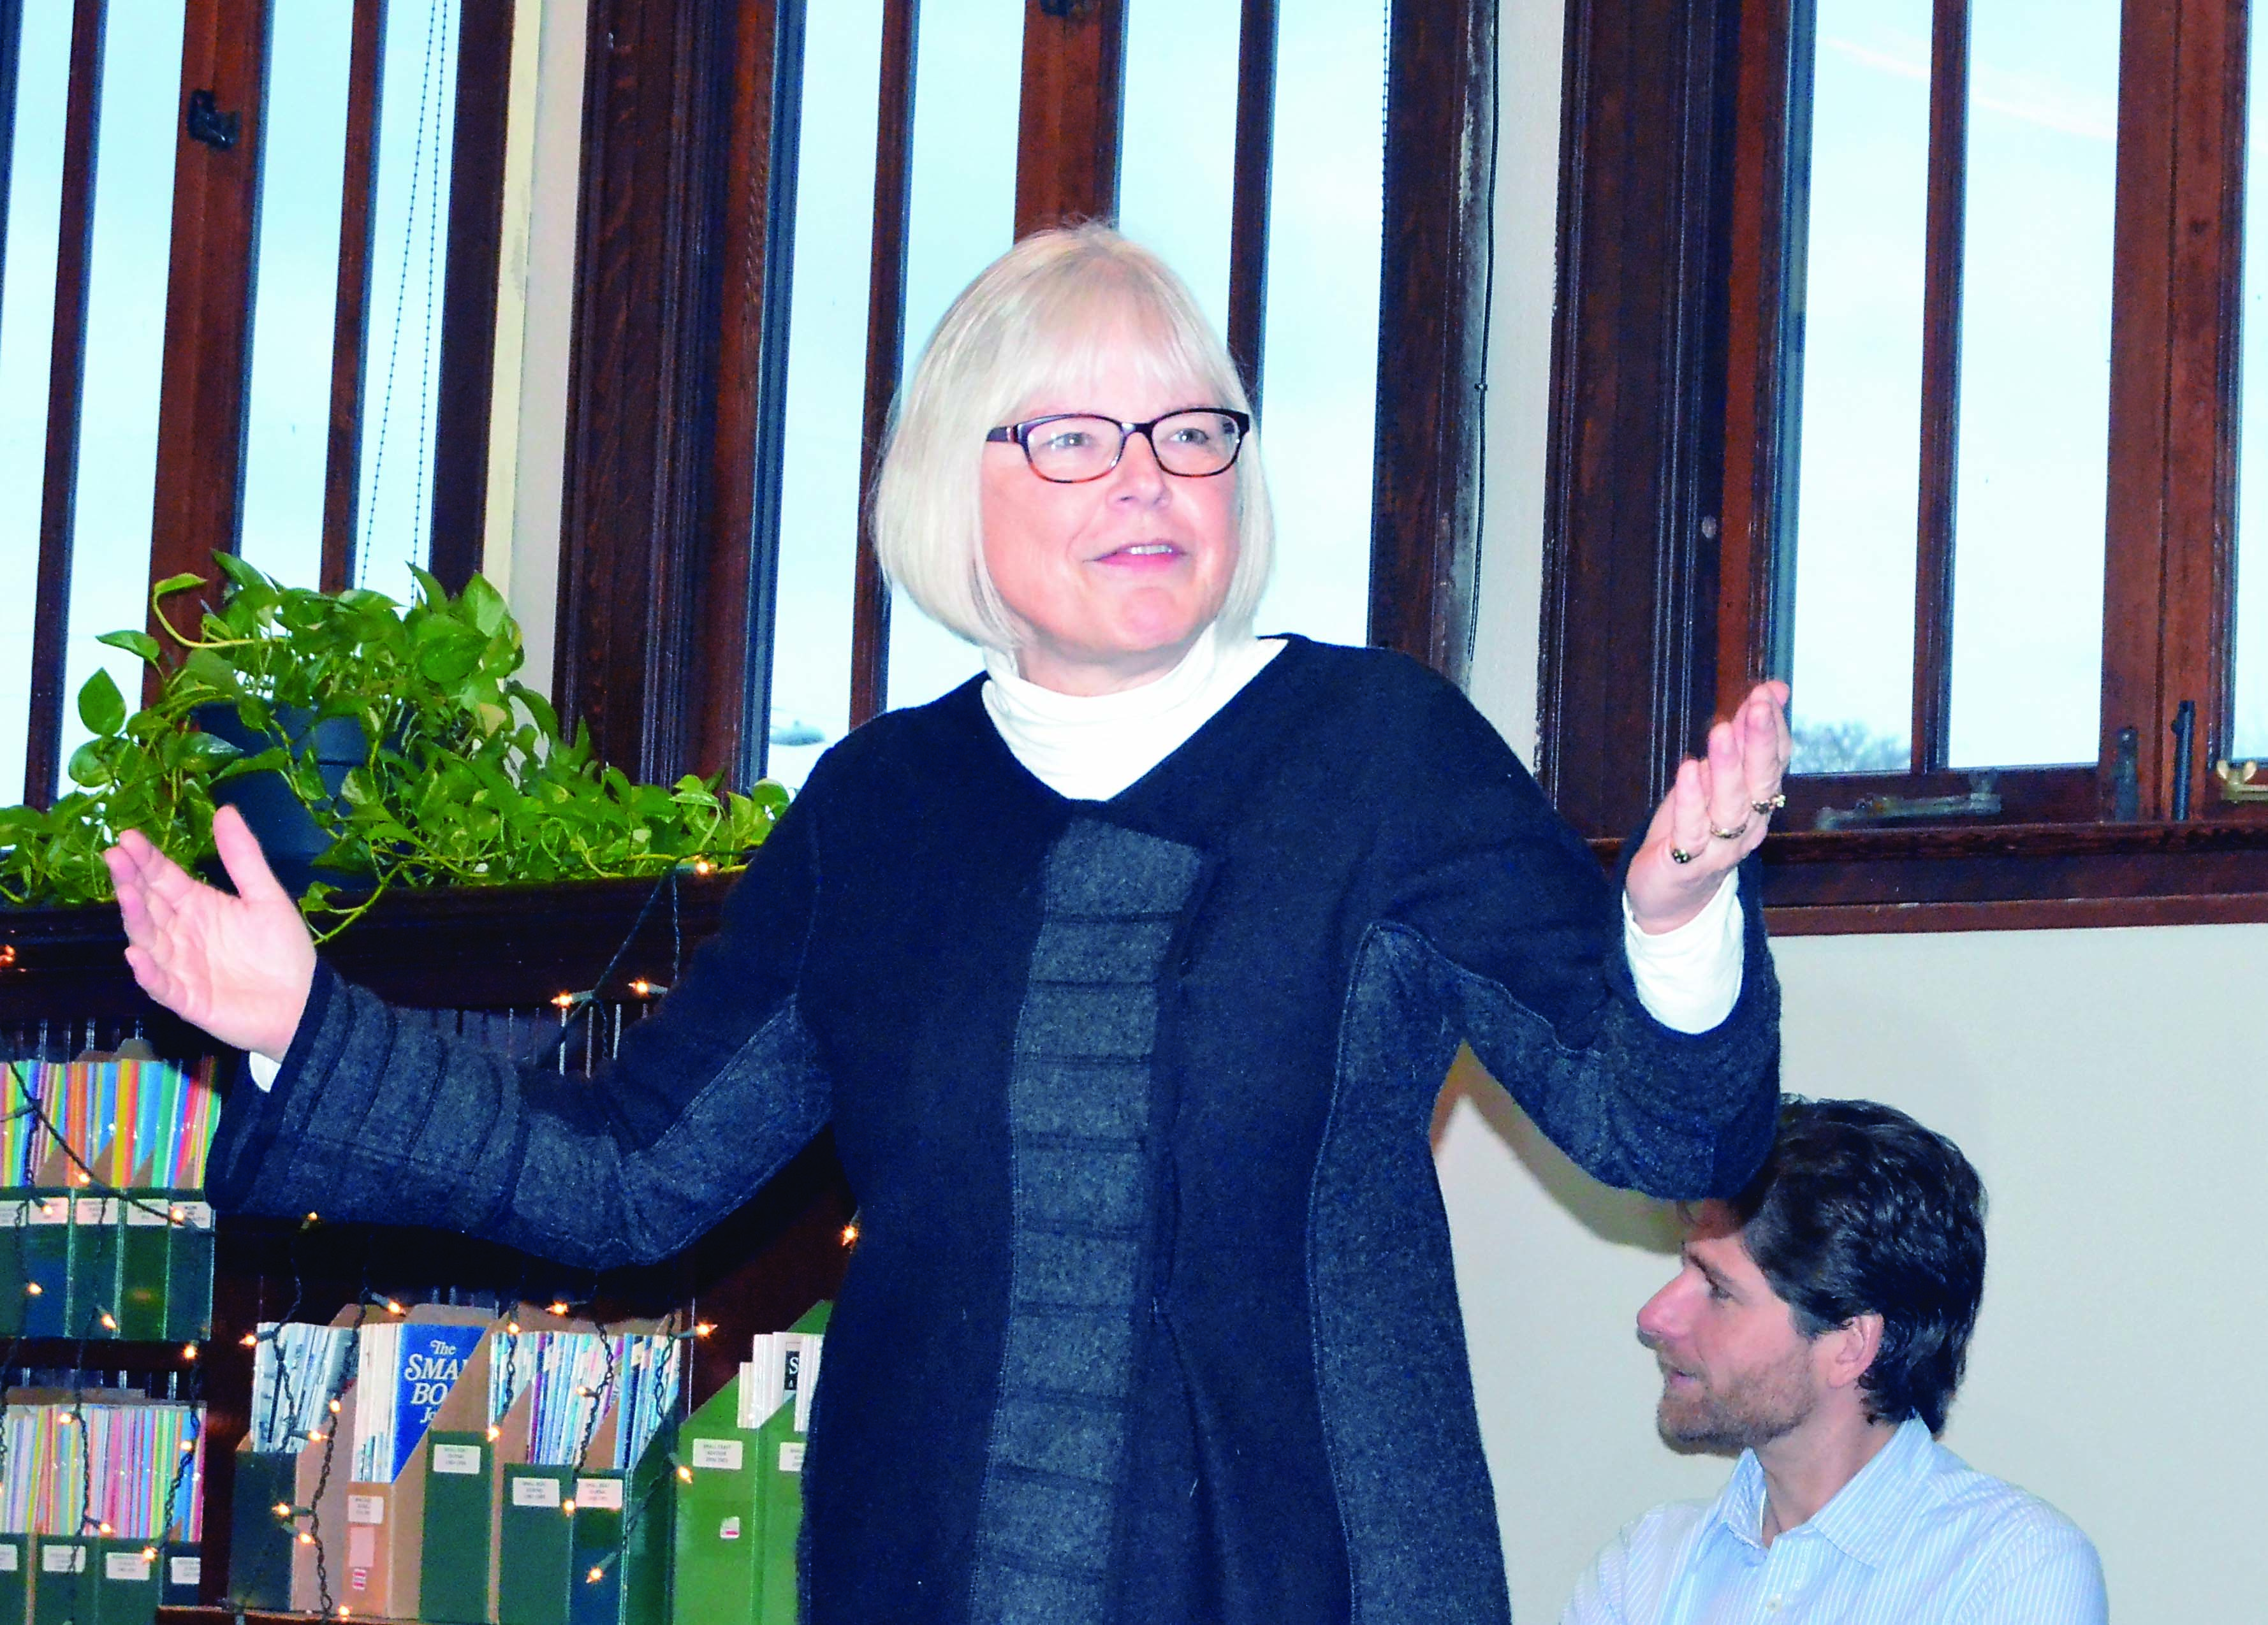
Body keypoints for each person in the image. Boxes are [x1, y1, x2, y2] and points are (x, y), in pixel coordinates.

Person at [106, 225, 1792, 1625]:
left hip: (1310, 1570)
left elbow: (1664, 1122)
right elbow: (631, 1171)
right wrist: (298, 1026)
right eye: (1072, 435)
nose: (1148, 479)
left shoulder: (1381, 754)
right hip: (929, 1571)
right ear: (950, 481)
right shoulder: (877, 810)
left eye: (1190, 430)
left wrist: (1669, 916)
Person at [1562, 1098, 2106, 1625]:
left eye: (1718, 1290)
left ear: (1850, 1345)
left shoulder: (2010, 1569)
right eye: (1684, 1267)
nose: (1654, 1315)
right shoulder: (1642, 1568)